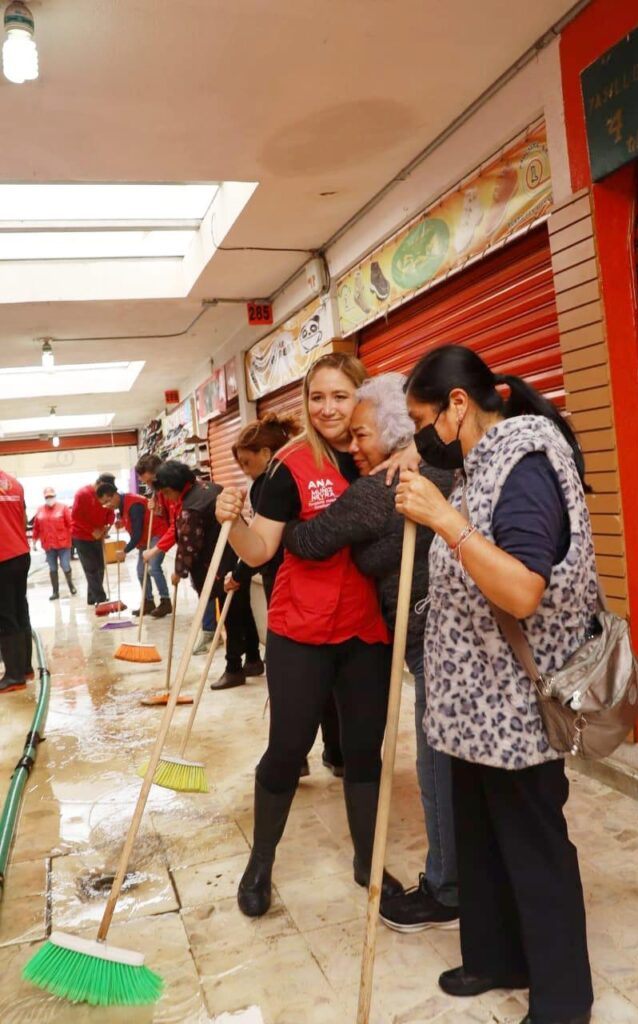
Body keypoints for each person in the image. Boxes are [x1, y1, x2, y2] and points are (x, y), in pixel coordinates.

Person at [394, 345, 596, 1024]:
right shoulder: (479, 461)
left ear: (457, 405)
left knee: (534, 847)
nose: (422, 437)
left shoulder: (526, 463)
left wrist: (444, 521)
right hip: (473, 707)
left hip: (516, 707)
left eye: (422, 421)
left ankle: (563, 1000)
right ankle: (497, 958)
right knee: (481, 841)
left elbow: (522, 590)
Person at [215, 352, 402, 919]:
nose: (328, 408)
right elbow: (260, 551)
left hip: (366, 631)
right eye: (317, 397)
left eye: (340, 396)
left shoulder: (379, 454)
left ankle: (369, 860)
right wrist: (234, 522)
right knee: (287, 748)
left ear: (360, 397)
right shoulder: (289, 466)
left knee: (364, 751)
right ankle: (260, 863)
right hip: (300, 629)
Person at [283, 372, 458, 930]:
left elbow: (310, 541)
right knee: (457, 765)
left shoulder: (379, 487)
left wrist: (277, 513)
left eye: (362, 434)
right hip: (460, 636)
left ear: (396, 432)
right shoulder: (445, 468)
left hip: (433, 642)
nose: (354, 446)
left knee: (436, 766)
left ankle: (447, 890)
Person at [228, 413, 343, 776]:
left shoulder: (270, 483)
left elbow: (263, 545)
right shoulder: (314, 469)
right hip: (321, 589)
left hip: (288, 589)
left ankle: (293, 759)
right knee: (327, 680)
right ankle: (336, 753)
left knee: (292, 684)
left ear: (266, 453)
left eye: (247, 463)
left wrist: (239, 573)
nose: (245, 471)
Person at [153, 460, 233, 633]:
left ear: (176, 485)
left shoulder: (192, 507)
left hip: (217, 565)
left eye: (167, 492)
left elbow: (189, 544)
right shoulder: (209, 487)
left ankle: (227, 644)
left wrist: (179, 572)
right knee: (237, 613)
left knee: (232, 617)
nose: (167, 498)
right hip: (233, 558)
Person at [94, 482, 166, 615]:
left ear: (115, 495)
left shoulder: (134, 505)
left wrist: (125, 551)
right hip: (145, 539)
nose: (107, 505)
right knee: (141, 571)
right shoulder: (122, 505)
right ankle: (148, 602)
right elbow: (134, 523)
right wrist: (122, 523)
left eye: (108, 501)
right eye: (104, 504)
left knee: (153, 567)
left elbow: (137, 533)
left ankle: (165, 601)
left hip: (157, 534)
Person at [0, 470, 32, 694]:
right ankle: (25, 668)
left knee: (5, 616)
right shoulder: (13, 483)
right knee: (20, 611)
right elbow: (23, 519)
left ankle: (14, 676)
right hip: (20, 553)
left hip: (2, 557)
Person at [135, 454, 177, 618]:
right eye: (145, 482)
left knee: (153, 566)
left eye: (149, 481)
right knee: (144, 569)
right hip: (170, 533)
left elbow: (176, 524)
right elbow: (167, 517)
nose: (149, 485)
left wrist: (154, 550)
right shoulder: (158, 491)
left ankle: (165, 601)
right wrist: (158, 510)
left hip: (169, 534)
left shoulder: (172, 488)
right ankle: (152, 601)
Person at [71, 474, 115, 606]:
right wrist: (91, 530)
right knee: (91, 568)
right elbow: (75, 517)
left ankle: (92, 597)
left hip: (98, 535)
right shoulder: (82, 494)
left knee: (100, 567)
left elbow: (110, 513)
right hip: (81, 536)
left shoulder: (107, 495)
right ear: (99, 483)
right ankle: (101, 599)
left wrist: (107, 526)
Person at [32, 486, 77, 600]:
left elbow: (71, 524)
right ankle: (55, 592)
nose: (49, 498)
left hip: (63, 544)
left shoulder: (63, 508)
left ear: (55, 496)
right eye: (47, 497)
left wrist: (75, 537)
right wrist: (34, 541)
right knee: (52, 568)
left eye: (51, 496)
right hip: (48, 545)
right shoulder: (40, 510)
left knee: (65, 565)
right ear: (44, 498)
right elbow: (36, 527)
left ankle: (71, 585)